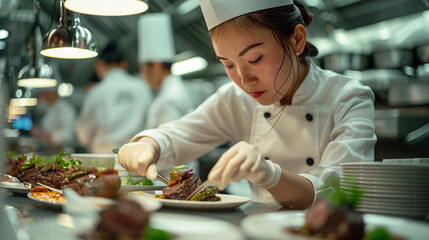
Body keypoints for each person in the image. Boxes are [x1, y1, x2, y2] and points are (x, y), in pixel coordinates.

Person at [118, 0, 376, 209]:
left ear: (297, 39)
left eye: (255, 58)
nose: (244, 80)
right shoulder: (235, 98)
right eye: (228, 65)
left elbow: (341, 188)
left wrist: (270, 174)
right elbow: (177, 136)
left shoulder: (348, 97)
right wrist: (148, 144)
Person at [75, 42, 152, 154]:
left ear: (99, 65)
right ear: (124, 63)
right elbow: (151, 124)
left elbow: (83, 136)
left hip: (104, 162)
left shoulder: (97, 91)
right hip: (137, 157)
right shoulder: (142, 86)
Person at [137, 13, 194, 129]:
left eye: (143, 69)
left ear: (156, 65)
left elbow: (170, 142)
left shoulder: (170, 99)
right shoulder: (171, 91)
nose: (142, 75)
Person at [31, 87, 77, 152]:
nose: (44, 97)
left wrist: (46, 136)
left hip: (63, 151)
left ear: (54, 93)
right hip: (51, 150)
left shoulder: (64, 108)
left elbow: (68, 134)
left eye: (46, 94)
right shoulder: (52, 108)